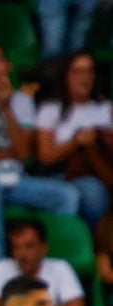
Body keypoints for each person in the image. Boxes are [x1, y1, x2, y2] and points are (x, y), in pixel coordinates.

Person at [0, 44, 79, 263]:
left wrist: (7, 107)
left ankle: (51, 266)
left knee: (68, 195)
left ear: (7, 66)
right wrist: (8, 152)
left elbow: (22, 154)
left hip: (14, 180)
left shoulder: (22, 101)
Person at [34, 52, 112, 232]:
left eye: (89, 72)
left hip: (103, 170)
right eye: (77, 72)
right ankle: (93, 246)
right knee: (93, 192)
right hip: (63, 174)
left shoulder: (106, 109)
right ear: (66, 76)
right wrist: (76, 142)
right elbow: (45, 156)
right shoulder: (50, 109)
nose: (84, 78)